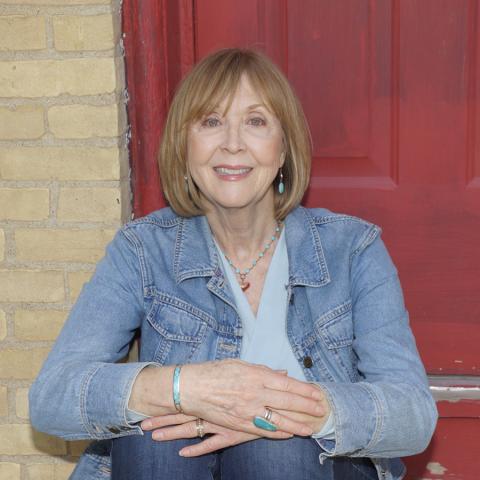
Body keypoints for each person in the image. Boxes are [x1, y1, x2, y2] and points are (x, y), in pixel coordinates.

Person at [29, 48, 437, 480]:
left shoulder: (352, 249)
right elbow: (52, 398)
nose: (233, 142)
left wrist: (292, 410)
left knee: (276, 451)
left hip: (312, 470)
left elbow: (412, 414)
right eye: (211, 121)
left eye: (256, 121)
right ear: (184, 148)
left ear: (283, 150)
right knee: (153, 439)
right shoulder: (143, 250)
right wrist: (185, 388)